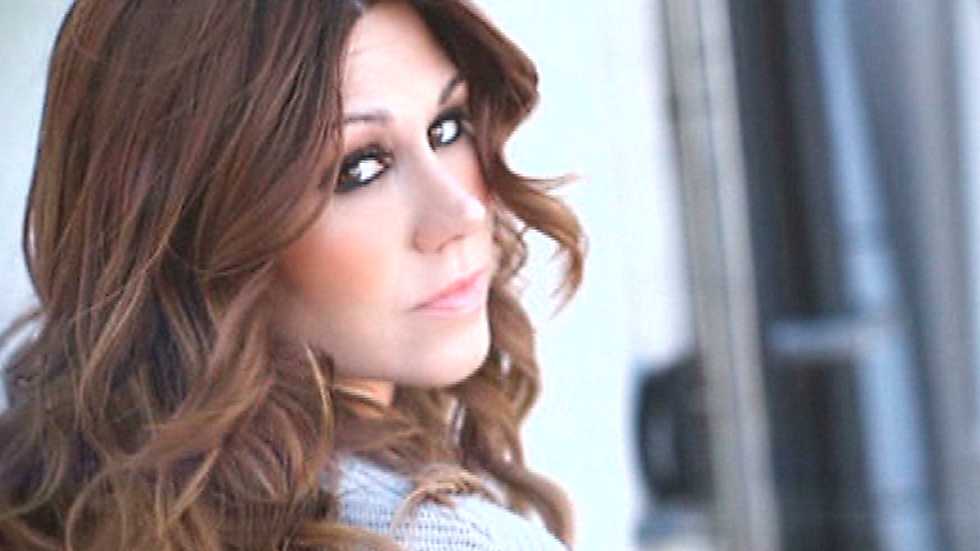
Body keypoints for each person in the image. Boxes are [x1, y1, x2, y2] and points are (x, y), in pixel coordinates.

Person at [0, 1, 585, 550]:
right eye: (360, 167)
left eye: (448, 127)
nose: (462, 212)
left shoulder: (51, 496)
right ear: (201, 229)